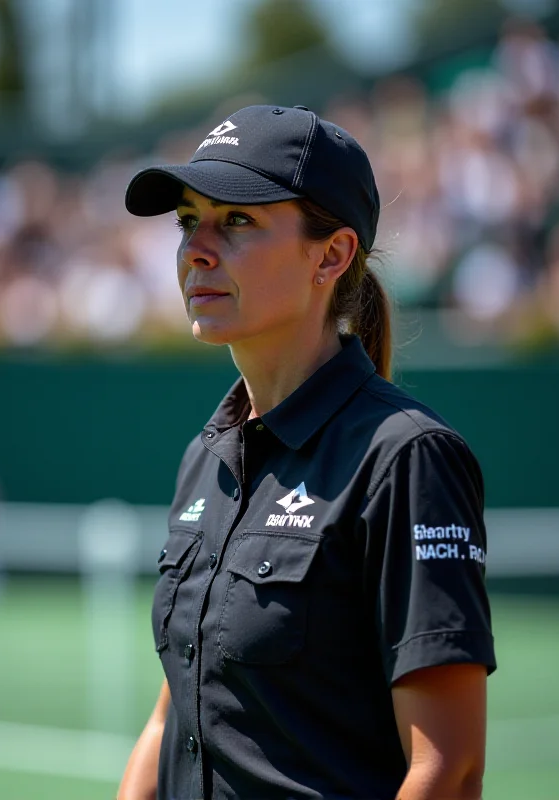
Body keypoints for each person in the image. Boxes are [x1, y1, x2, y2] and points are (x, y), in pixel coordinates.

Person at [118, 104, 496, 800]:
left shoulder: (406, 457)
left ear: (332, 254)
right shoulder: (207, 455)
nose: (197, 247)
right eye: (187, 220)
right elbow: (175, 711)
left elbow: (449, 770)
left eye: (237, 220)